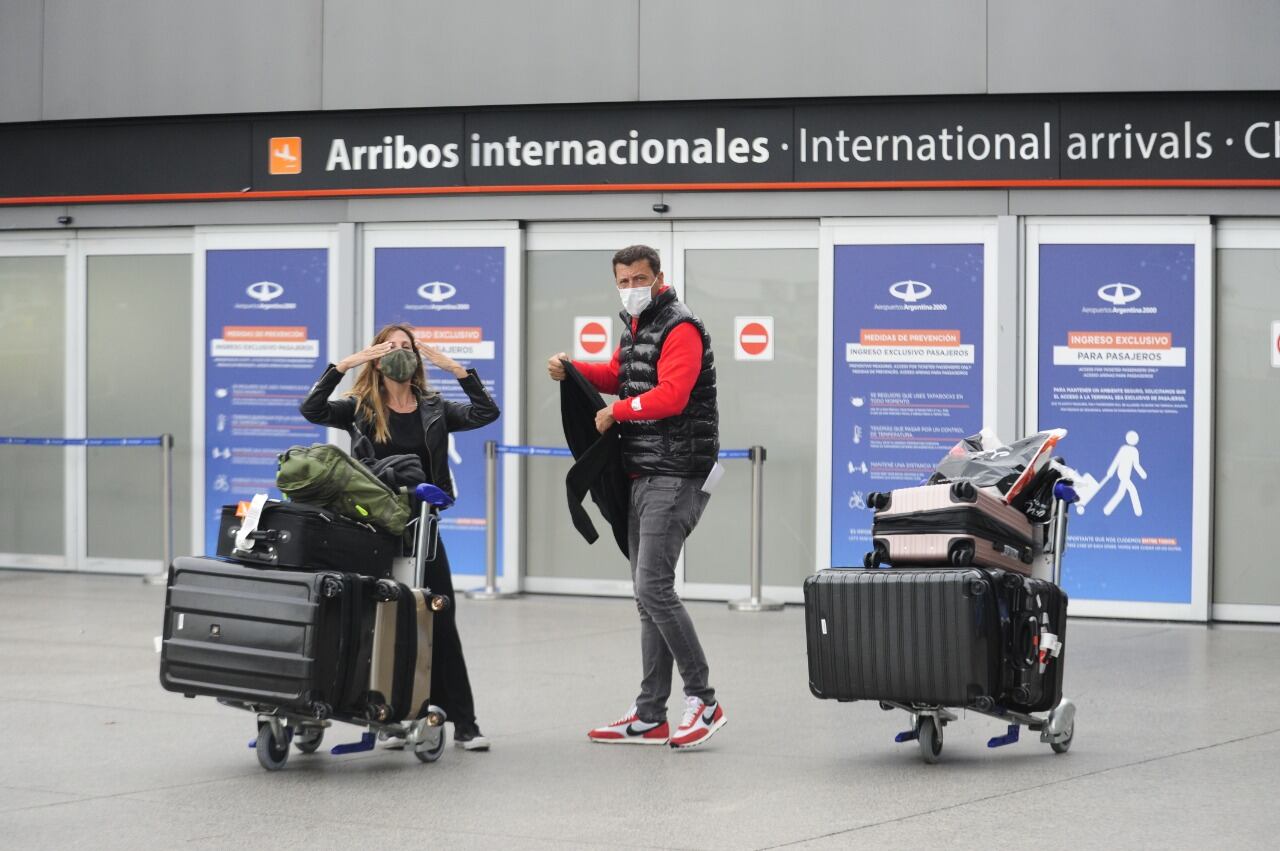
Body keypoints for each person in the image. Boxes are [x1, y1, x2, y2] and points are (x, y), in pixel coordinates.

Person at [547, 244, 726, 750]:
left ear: (659, 277)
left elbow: (672, 394)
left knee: (653, 588)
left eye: (639, 278)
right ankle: (651, 714)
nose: (631, 288)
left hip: (677, 473)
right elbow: (616, 375)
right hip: (641, 473)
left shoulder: (681, 327)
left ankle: (704, 700)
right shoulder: (634, 328)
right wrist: (573, 368)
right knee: (647, 599)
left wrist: (617, 412)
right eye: (623, 281)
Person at [301, 322, 499, 751]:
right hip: (367, 530)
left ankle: (464, 723)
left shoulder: (434, 407)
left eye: (407, 347)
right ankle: (392, 718)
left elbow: (486, 413)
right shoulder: (359, 407)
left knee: (436, 618)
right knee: (378, 624)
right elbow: (312, 409)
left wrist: (451, 366)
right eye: (390, 347)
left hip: (420, 528)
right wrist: (345, 365)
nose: (399, 353)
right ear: (377, 356)